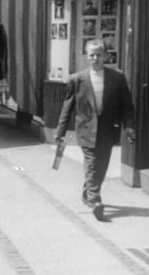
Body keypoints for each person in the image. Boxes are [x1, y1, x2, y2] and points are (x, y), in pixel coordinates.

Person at [55, 39, 135, 221]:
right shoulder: (77, 79)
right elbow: (67, 108)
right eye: (91, 55)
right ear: (86, 56)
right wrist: (60, 133)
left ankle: (87, 193)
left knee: (102, 165)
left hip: (108, 129)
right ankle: (95, 200)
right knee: (91, 164)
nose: (95, 58)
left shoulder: (117, 77)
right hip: (85, 129)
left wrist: (129, 126)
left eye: (99, 55)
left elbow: (126, 106)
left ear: (105, 56)